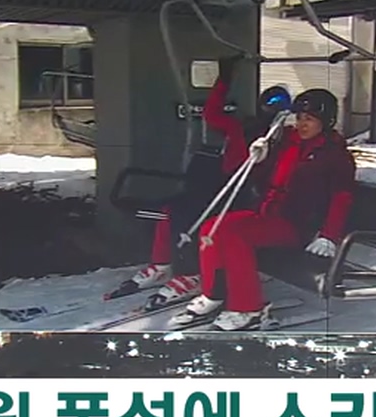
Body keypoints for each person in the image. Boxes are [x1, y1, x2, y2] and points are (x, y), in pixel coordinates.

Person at [169, 88, 357, 331]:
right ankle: (214, 293)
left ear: (326, 121)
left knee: (236, 237)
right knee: (211, 228)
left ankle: (248, 308)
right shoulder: (288, 142)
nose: (301, 124)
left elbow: (342, 196)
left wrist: (329, 235)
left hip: (297, 224)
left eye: (309, 119)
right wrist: (259, 159)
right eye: (299, 117)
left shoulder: (335, 155)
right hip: (267, 213)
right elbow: (264, 178)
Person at [115, 61, 292, 304]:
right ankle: (163, 264)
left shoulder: (283, 137)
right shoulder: (242, 127)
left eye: (276, 105)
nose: (269, 109)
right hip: (224, 184)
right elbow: (212, 114)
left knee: (197, 218)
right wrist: (224, 81)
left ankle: (193, 273)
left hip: (246, 192)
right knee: (176, 208)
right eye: (268, 103)